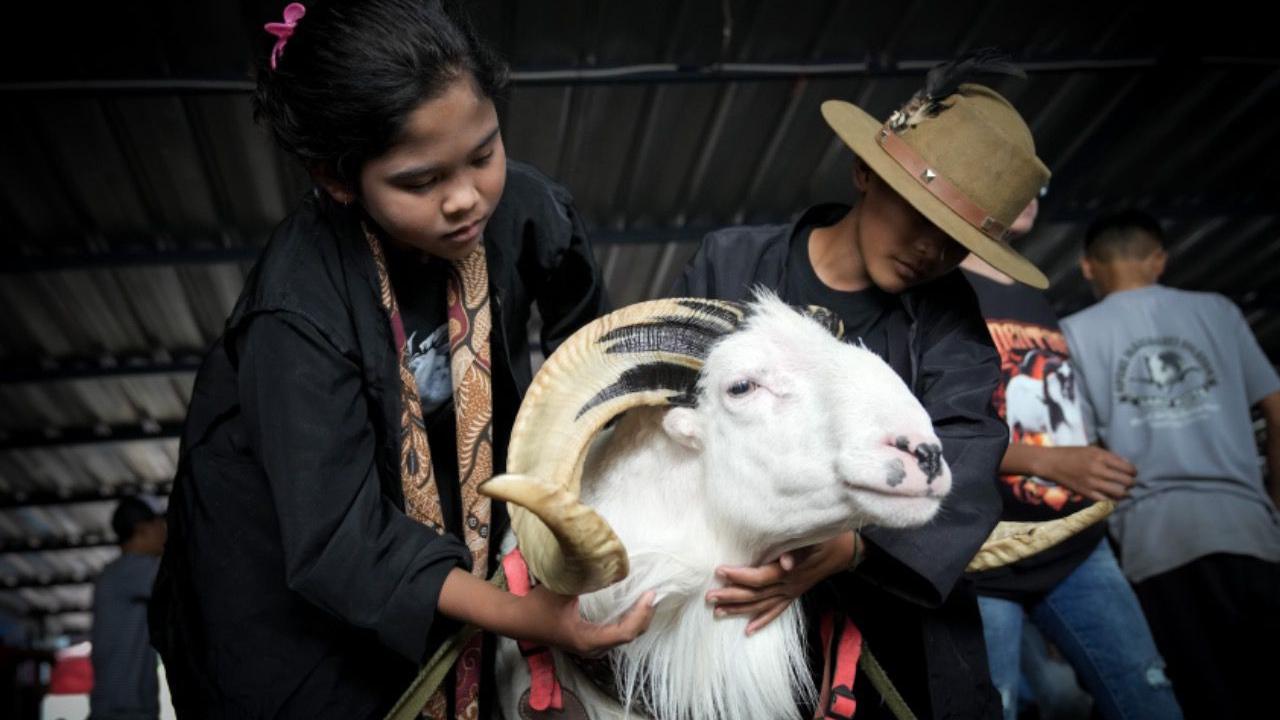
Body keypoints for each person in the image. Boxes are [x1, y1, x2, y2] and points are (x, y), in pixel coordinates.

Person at [148, 2, 654, 717]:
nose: (465, 199)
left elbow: (596, 347)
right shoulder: (296, 314)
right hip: (281, 596)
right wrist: (530, 617)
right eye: (420, 182)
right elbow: (340, 541)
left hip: (430, 525)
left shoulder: (525, 212)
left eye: (483, 153)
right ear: (337, 178)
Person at [673, 63, 1049, 719]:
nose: (930, 250)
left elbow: (970, 445)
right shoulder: (730, 263)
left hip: (888, 626)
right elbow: (672, 412)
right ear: (866, 174)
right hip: (727, 601)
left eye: (957, 242)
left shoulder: (949, 318)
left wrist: (852, 548)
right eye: (918, 213)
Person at [962, 199, 1181, 720]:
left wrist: (1082, 458)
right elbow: (932, 436)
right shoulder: (935, 291)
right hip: (984, 557)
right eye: (1012, 174)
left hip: (1076, 546)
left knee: (1148, 700)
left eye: (1041, 183)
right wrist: (1049, 462)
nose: (1033, 192)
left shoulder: (1033, 291)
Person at [1060, 209, 1280, 720]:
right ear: (1159, 260)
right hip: (1250, 531)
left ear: (1087, 267)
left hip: (1153, 543)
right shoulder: (1219, 311)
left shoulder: (1072, 331)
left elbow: (1083, 453)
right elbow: (1275, 405)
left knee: (1196, 698)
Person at [90, 496, 166, 720]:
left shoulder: (119, 573)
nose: (165, 532)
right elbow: (186, 580)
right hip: (123, 712)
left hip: (125, 710)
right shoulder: (129, 569)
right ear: (142, 529)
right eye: (160, 525)